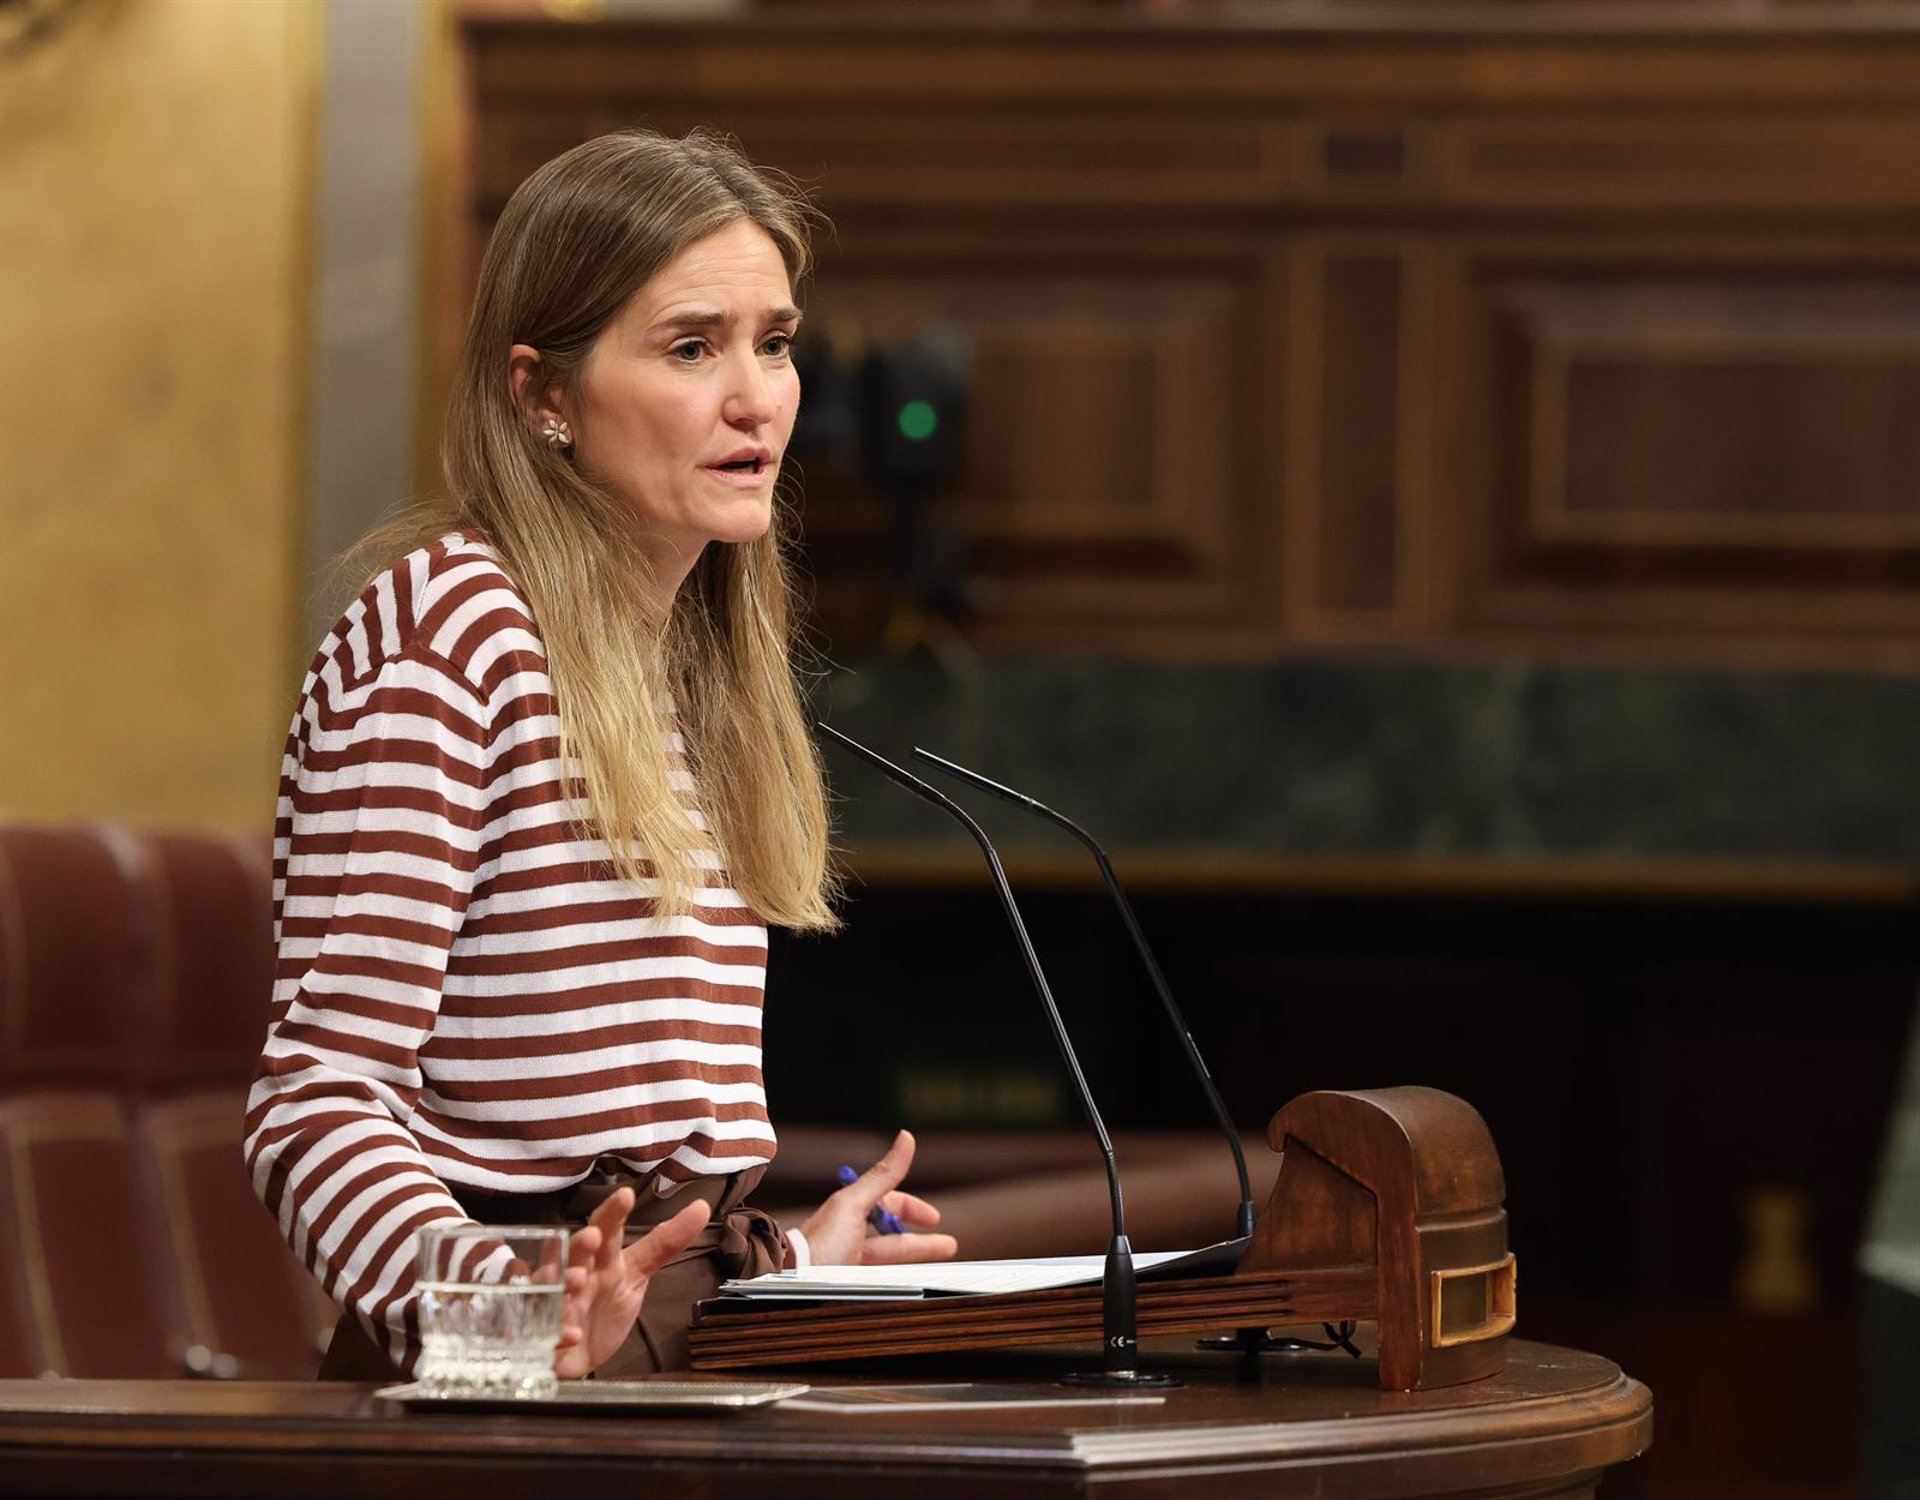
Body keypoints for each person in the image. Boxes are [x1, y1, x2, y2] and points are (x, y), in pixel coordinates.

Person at [244, 128, 956, 1382]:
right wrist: (512, 1319)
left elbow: (644, 1210)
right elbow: (314, 1104)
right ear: (543, 395)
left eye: (774, 342)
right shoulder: (455, 630)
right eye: (692, 348)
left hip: (673, 1356)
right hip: (502, 1384)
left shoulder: (697, 664)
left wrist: (801, 1262)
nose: (756, 398)